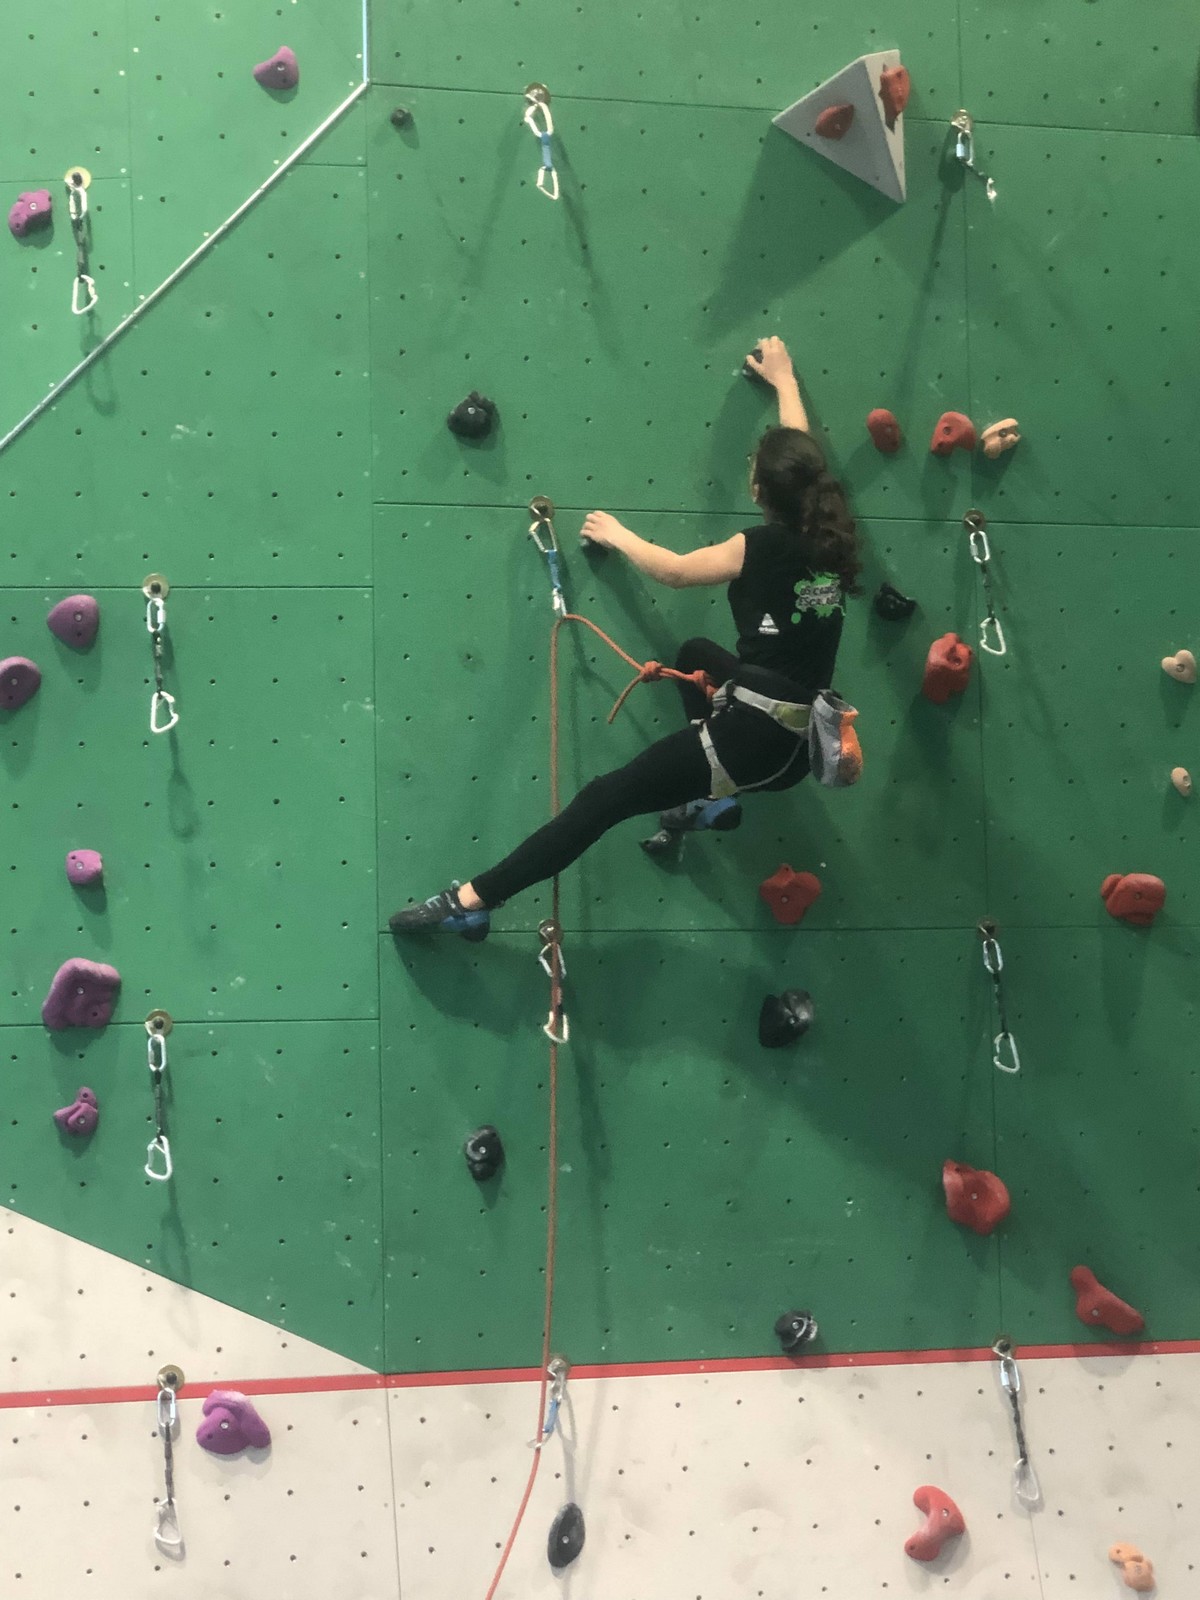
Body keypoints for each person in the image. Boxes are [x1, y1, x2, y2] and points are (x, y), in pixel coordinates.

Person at [389, 336, 863, 940]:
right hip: (800, 740)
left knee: (604, 798)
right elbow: (802, 457)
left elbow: (676, 571)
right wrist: (784, 381)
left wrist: (617, 534)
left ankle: (472, 901)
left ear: (759, 493)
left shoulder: (759, 547)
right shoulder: (827, 535)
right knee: (695, 654)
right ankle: (713, 800)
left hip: (753, 743)